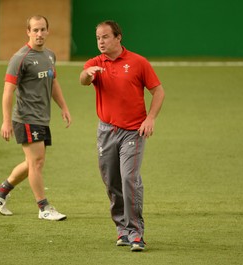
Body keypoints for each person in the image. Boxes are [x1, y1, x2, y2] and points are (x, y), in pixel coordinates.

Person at [79, 20, 165, 251]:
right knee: (112, 181)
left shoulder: (138, 62)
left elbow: (158, 90)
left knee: (129, 179)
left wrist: (151, 118)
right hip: (106, 131)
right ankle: (122, 228)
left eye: (105, 37)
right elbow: (83, 80)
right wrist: (88, 73)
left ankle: (136, 233)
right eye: (98, 38)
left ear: (118, 37)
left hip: (133, 132)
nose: (101, 42)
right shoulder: (95, 63)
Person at [0, 15, 71, 221]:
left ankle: (0, 193)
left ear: (48, 31)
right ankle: (43, 208)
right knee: (36, 162)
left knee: (34, 162)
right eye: (35, 30)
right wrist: (6, 121)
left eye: (43, 29)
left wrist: (64, 107)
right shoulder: (20, 58)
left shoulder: (50, 55)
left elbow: (53, 82)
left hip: (42, 117)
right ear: (28, 32)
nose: (39, 34)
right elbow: (8, 91)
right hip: (26, 117)